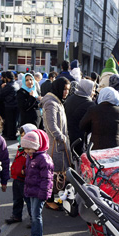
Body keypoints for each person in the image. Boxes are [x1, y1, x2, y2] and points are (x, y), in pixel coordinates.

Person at [40, 77, 71, 210]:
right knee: (54, 174)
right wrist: (61, 137)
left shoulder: (57, 101)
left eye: (68, 90)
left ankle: (58, 199)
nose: (66, 92)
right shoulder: (51, 103)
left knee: (60, 174)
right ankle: (49, 200)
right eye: (64, 89)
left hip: (60, 143)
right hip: (55, 145)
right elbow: (50, 125)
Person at [20, 129, 54, 236]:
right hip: (33, 190)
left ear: (38, 146)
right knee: (34, 215)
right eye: (25, 148)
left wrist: (44, 193)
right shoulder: (32, 156)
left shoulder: (43, 159)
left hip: (39, 192)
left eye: (29, 148)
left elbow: (47, 179)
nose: (27, 151)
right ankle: (34, 235)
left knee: (36, 215)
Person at [6, 123, 37, 225]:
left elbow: (33, 164)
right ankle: (16, 215)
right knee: (17, 199)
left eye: (24, 135)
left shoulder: (32, 150)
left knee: (28, 200)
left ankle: (33, 219)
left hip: (26, 179)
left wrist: (25, 170)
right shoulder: (21, 147)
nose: (22, 137)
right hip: (17, 178)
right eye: (21, 135)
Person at [64, 79, 95, 155]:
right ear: (87, 89)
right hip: (80, 139)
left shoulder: (69, 99)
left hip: (66, 136)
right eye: (93, 90)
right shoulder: (90, 104)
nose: (94, 93)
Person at [0, 71, 19, 140]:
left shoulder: (8, 86)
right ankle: (13, 134)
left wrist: (1, 88)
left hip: (9, 105)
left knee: (9, 121)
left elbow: (1, 94)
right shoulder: (16, 84)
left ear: (7, 78)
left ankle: (10, 135)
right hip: (15, 105)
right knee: (14, 121)